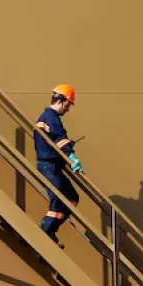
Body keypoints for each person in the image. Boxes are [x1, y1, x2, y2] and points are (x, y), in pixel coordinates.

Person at [34, 84, 84, 242]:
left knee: (72, 197)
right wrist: (72, 157)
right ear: (61, 101)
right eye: (68, 105)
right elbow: (59, 139)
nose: (68, 109)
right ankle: (45, 231)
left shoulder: (47, 117)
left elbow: (53, 141)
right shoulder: (51, 117)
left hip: (53, 166)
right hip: (48, 166)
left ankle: (50, 230)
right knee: (58, 198)